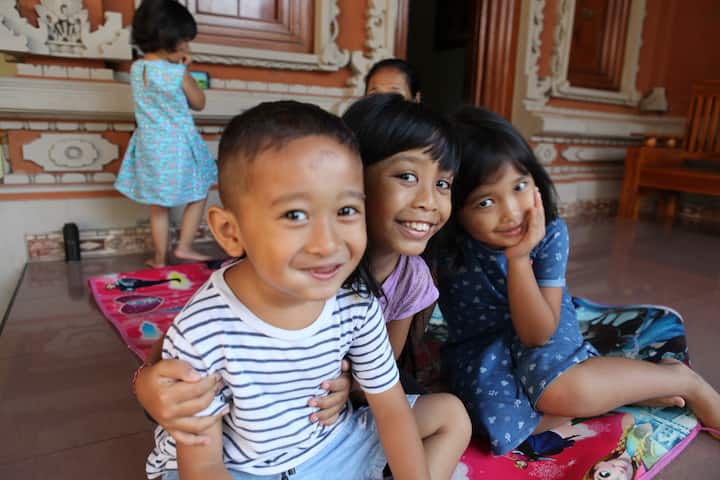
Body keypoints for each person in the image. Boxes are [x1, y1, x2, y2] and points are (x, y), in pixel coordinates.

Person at [145, 100, 470, 480]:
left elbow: (390, 406)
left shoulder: (358, 304)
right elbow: (203, 465)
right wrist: (147, 385)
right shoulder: (204, 329)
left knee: (450, 415)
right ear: (231, 231)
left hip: (327, 444)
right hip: (243, 468)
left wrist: (351, 390)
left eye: (345, 211)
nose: (326, 243)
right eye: (295, 215)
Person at [433, 106, 720, 456]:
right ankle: (625, 390)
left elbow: (538, 334)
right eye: (485, 202)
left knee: (556, 391)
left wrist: (519, 259)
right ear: (454, 211)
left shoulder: (550, 233)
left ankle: (680, 379)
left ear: (535, 180)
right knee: (487, 421)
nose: (511, 212)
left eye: (519, 186)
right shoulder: (447, 246)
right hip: (482, 341)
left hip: (544, 322)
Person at [341, 93, 457, 393]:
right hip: (288, 396)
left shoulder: (412, 277)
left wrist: (349, 388)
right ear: (352, 176)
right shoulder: (321, 262)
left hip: (360, 395)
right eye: (407, 176)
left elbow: (383, 368)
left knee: (450, 411)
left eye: (442, 184)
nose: (429, 201)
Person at [115, 0, 217, 268]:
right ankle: (184, 247)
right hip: (177, 145)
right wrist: (185, 70)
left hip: (149, 144)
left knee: (158, 203)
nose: (186, 47)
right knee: (199, 190)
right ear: (166, 38)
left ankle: (160, 258)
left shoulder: (137, 69)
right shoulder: (175, 72)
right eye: (183, 41)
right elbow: (199, 102)